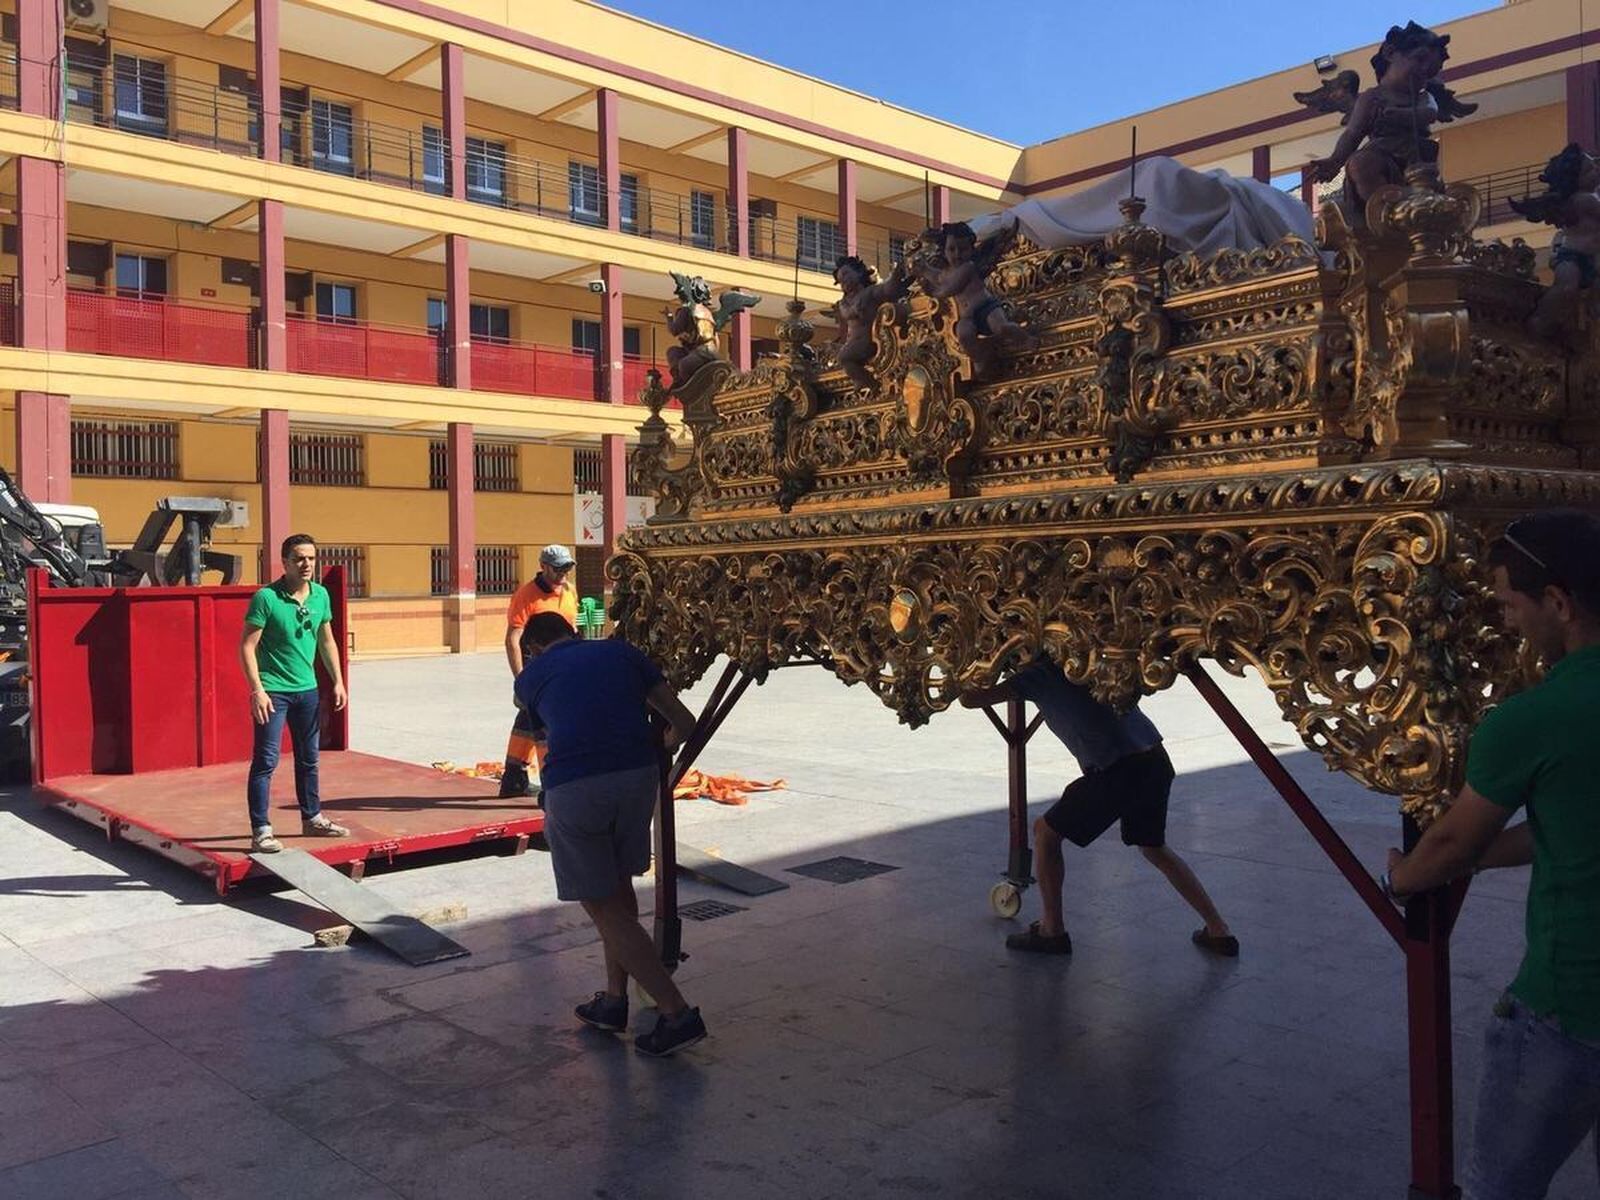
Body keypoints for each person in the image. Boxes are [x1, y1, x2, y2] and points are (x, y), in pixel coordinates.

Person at [1381, 510, 1600, 1199]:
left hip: (1569, 1003)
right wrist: (1474, 859)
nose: (1505, 622)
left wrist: (1402, 877)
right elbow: (1568, 823)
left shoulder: (1533, 718)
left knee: (1498, 1188)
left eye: (1509, 603)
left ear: (1558, 604)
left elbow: (1450, 841)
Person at [514, 612, 705, 1057]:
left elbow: (547, 730)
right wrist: (663, 743)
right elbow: (684, 721)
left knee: (603, 908)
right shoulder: (622, 652)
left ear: (534, 648)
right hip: (638, 780)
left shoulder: (532, 675)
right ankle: (614, 1001)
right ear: (575, 633)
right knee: (618, 888)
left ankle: (677, 1014)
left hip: (578, 788)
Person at [960, 658, 1236, 957]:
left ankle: (1052, 931)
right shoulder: (1085, 658)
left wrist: (968, 666)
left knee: (1045, 833)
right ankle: (1218, 930)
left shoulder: (1037, 673)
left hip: (1117, 768)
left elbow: (970, 699)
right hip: (1154, 758)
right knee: (1153, 847)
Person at [240, 534, 349, 854]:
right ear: (284, 562)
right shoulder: (266, 598)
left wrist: (338, 681)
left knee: (309, 759)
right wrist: (257, 690)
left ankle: (312, 818)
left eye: (312, 558)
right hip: (274, 693)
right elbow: (247, 646)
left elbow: (326, 640)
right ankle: (261, 830)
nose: (307, 565)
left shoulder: (320, 596)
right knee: (266, 760)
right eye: (299, 558)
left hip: (308, 692)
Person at [500, 544, 580, 799]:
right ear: (543, 567)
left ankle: (514, 776)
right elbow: (513, 638)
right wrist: (521, 679)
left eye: (567, 567)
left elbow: (572, 629)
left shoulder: (569, 591)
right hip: (536, 664)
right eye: (558, 569)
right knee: (547, 722)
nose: (563, 573)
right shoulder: (527, 595)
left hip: (563, 664)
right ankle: (552, 781)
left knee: (527, 720)